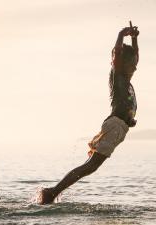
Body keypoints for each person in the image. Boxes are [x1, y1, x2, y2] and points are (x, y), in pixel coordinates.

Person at [38, 24, 140, 204]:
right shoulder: (118, 77)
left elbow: (134, 58)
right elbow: (117, 54)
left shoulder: (126, 80)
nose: (135, 67)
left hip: (119, 127)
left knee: (90, 166)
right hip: (115, 125)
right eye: (132, 64)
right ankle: (52, 192)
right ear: (122, 63)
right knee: (90, 166)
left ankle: (53, 192)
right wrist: (120, 35)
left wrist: (134, 39)